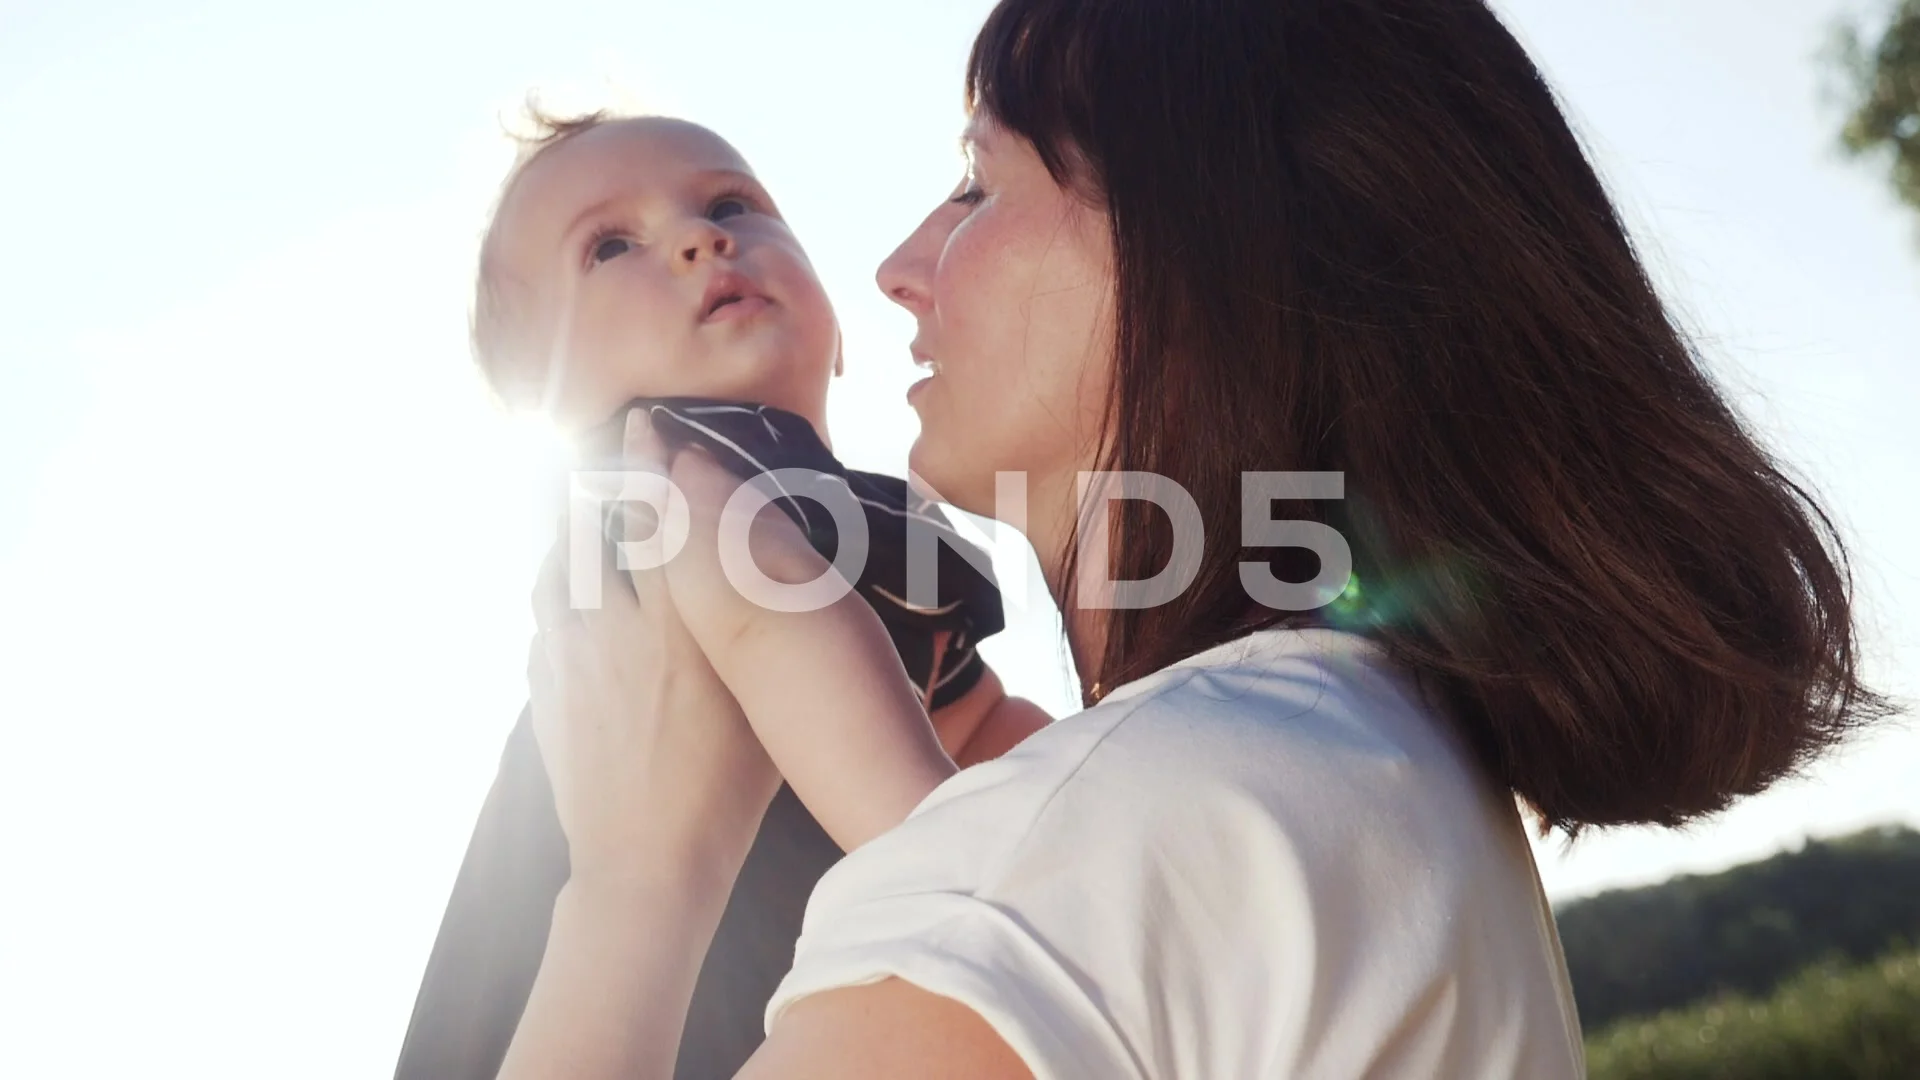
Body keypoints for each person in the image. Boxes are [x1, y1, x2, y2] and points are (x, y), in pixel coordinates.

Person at [498, 0, 1898, 1076]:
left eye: (978, 187)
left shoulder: (1105, 838)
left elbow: (990, 807)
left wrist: (632, 892)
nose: (900, 264)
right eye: (604, 247)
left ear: (1196, 250)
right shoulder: (1361, 759)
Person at [392, 113, 1052, 1080]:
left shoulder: (825, 509)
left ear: (833, 333)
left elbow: (973, 716)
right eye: (611, 246)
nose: (703, 239)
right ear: (558, 402)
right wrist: (967, 886)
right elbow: (771, 631)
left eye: (731, 204)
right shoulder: (678, 472)